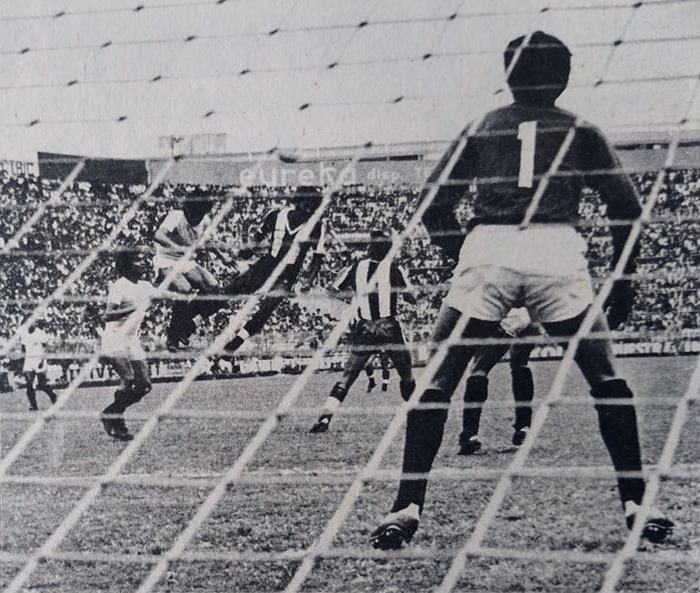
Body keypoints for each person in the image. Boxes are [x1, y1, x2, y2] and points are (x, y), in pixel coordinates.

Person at [370, 31, 673, 550]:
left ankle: (406, 505)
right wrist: (621, 283)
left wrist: (463, 254)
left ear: (508, 75)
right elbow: (625, 207)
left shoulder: (482, 126)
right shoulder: (580, 129)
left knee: (438, 380)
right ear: (565, 77)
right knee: (606, 378)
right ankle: (637, 501)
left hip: (490, 245)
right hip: (557, 249)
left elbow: (433, 205)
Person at [170, 186, 327, 357]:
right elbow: (259, 236)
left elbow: (318, 257)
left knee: (265, 310)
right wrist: (247, 252)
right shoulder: (277, 215)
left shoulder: (316, 226)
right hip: (267, 265)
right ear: (298, 201)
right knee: (230, 292)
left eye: (312, 207)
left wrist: (308, 280)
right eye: (306, 204)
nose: (308, 210)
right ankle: (191, 325)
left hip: (287, 275)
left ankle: (233, 345)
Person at [310, 232, 416, 433]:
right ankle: (416, 415)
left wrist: (356, 300)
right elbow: (412, 297)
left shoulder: (356, 267)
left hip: (365, 328)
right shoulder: (394, 269)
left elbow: (332, 290)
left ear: (370, 248)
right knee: (406, 373)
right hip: (389, 327)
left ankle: (325, 418)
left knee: (347, 377)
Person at [100, 251, 175, 440]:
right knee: (128, 379)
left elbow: (162, 294)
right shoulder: (120, 285)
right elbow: (107, 316)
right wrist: (134, 307)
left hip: (132, 339)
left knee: (144, 386)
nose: (142, 263)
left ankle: (111, 413)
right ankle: (116, 421)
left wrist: (185, 296)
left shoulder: (145, 286)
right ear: (127, 265)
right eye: (137, 261)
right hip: (115, 337)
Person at [154, 188, 231, 351]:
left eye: (200, 215)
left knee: (213, 289)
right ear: (188, 209)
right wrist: (176, 247)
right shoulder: (176, 216)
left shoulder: (204, 220)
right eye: (193, 215)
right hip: (166, 260)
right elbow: (158, 235)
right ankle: (173, 336)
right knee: (184, 289)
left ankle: (187, 325)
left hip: (185, 262)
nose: (195, 219)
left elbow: (207, 240)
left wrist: (222, 256)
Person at [458, 307, 543, 454]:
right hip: (532, 318)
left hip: (509, 318)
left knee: (478, 369)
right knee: (520, 364)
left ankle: (470, 434)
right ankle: (523, 427)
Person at [20, 320, 58, 410]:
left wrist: (42, 360)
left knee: (41, 385)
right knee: (29, 385)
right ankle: (34, 406)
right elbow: (23, 348)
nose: (34, 323)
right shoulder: (24, 334)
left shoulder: (40, 333)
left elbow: (47, 347)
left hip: (39, 360)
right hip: (29, 361)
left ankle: (53, 396)